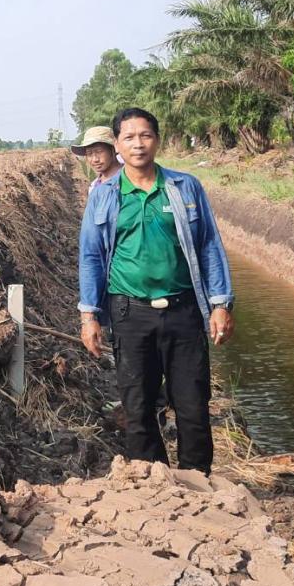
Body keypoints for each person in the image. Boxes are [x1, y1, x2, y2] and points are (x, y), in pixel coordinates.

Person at [77, 107, 235, 474]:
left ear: (157, 140)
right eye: (129, 137)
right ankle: (153, 479)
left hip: (183, 312)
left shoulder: (184, 187)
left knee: (193, 404)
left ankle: (198, 482)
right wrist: (90, 316)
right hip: (130, 313)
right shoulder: (104, 196)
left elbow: (209, 244)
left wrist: (220, 304)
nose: (138, 144)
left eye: (145, 135)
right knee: (138, 405)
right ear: (117, 145)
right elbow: (90, 256)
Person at [70, 126, 122, 190]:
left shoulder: (129, 178)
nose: (95, 159)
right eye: (89, 154)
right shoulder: (94, 186)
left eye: (99, 152)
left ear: (113, 150)